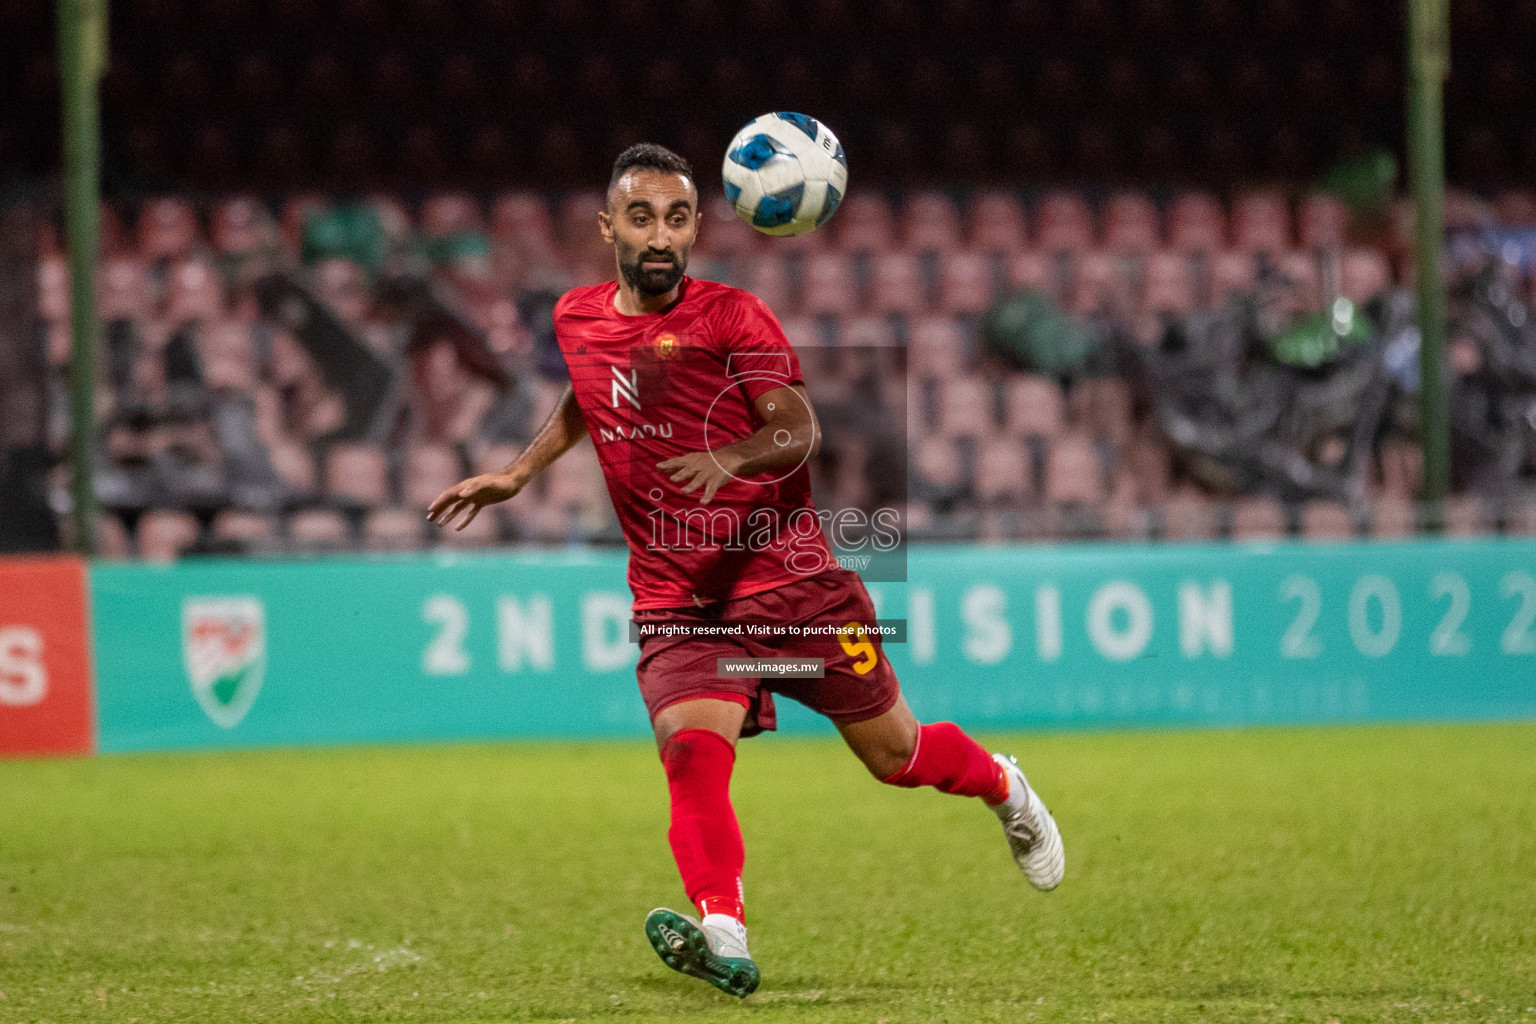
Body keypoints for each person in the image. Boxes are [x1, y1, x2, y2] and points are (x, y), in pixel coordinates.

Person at [427, 143, 1064, 999]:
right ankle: (722, 927)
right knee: (691, 753)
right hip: (679, 599)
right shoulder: (576, 316)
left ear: (696, 228)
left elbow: (798, 431)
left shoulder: (734, 318)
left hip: (791, 586)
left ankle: (1003, 784)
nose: (661, 235)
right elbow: (589, 390)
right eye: (643, 216)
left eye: (679, 218)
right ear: (608, 226)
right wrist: (520, 470)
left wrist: (726, 460)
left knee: (896, 754)